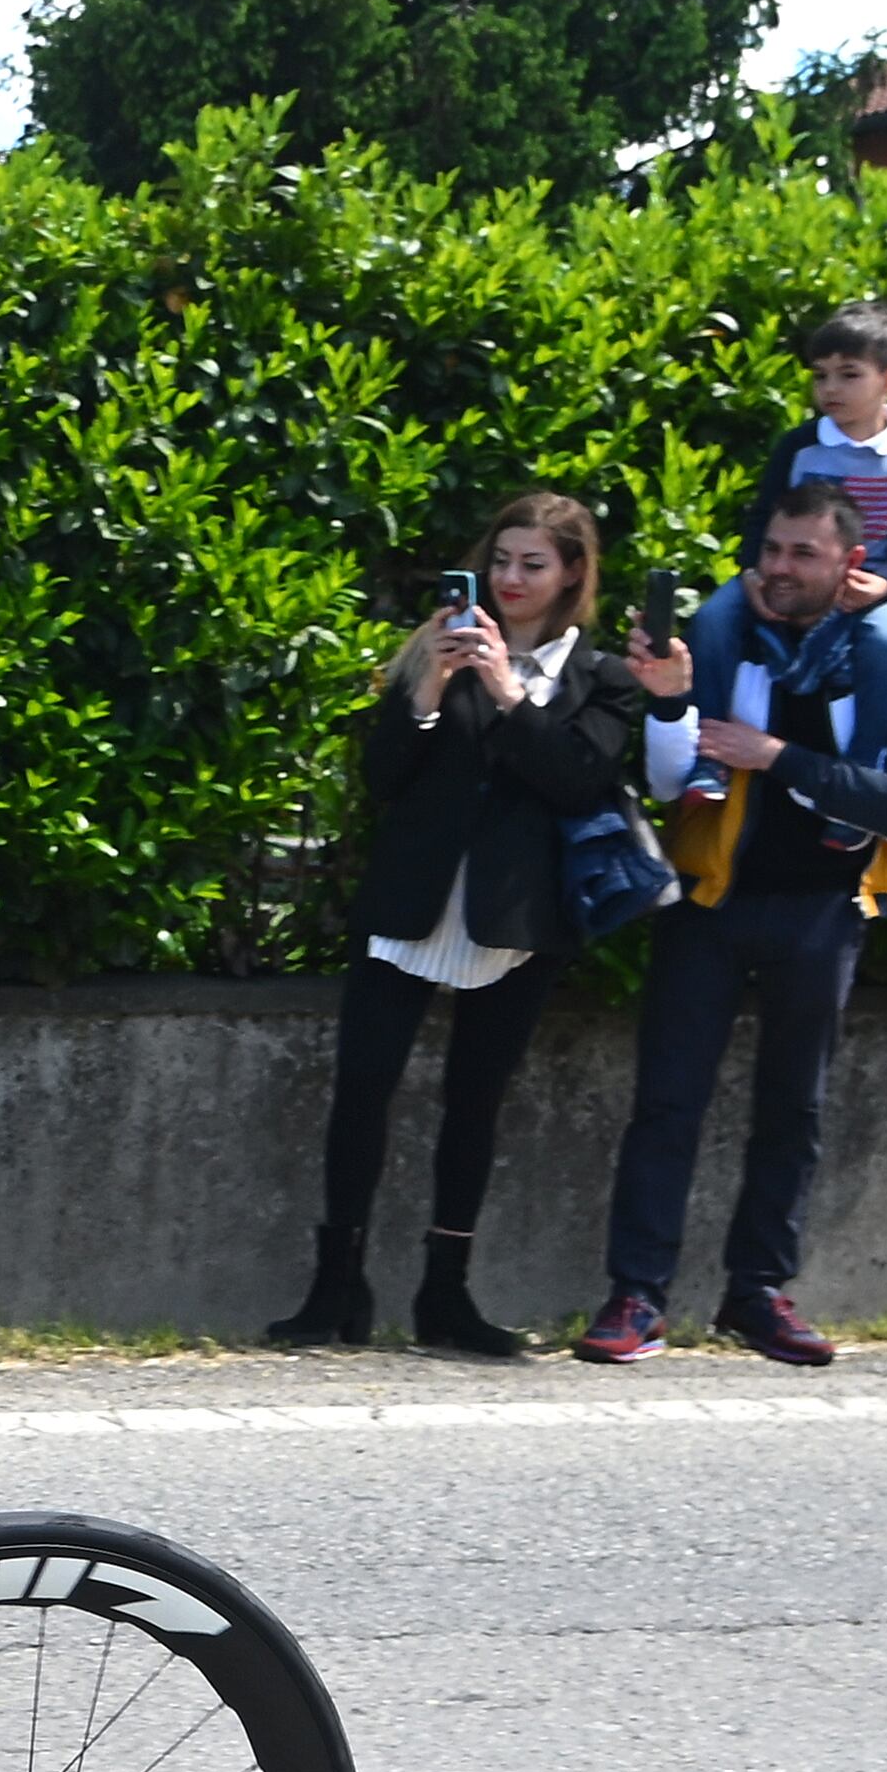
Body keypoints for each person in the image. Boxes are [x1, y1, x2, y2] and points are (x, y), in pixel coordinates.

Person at [268, 492, 650, 1357]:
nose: (511, 578)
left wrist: (511, 694)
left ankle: (445, 1292)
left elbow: (575, 780)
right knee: (361, 1087)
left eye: (533, 564)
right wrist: (431, 688)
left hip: (514, 915)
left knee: (474, 1101)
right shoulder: (433, 645)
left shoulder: (601, 678)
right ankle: (336, 1287)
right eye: (501, 559)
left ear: (571, 573)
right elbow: (382, 778)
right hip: (412, 900)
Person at [574, 483, 887, 1367]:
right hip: (709, 901)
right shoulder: (722, 641)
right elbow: (669, 782)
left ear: (850, 564)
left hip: (825, 909)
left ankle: (757, 1292)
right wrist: (669, 703)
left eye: (802, 554)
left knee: (792, 1109)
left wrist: (776, 757)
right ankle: (636, 1296)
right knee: (666, 1104)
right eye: (771, 550)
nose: (779, 568)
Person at [679, 302, 887, 799]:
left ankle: (863, 770)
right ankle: (708, 755)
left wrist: (885, 583)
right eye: (820, 376)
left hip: (867, 587)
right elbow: (762, 518)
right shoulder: (798, 446)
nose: (830, 389)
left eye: (849, 374)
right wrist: (753, 573)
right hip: (783, 574)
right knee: (713, 621)